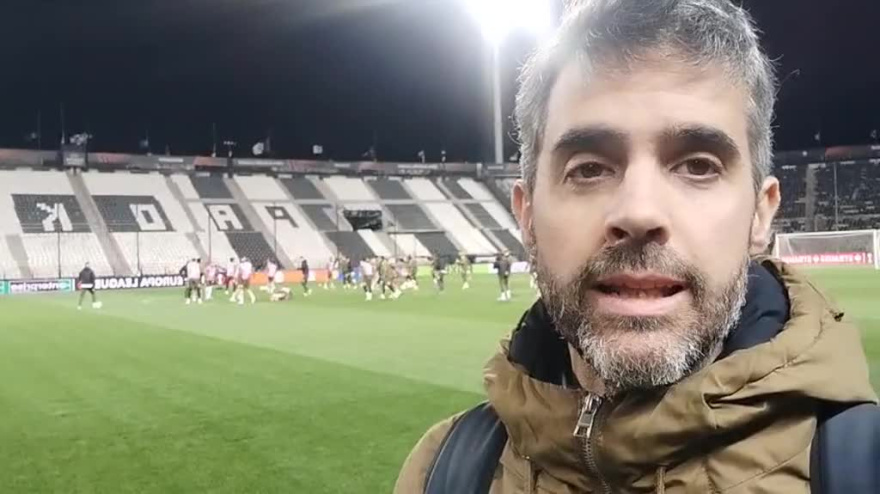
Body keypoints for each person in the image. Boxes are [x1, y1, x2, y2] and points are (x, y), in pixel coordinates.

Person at [395, 1, 877, 493]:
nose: (639, 212)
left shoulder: (861, 468)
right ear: (527, 215)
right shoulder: (443, 472)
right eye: (589, 168)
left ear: (760, 213)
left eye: (698, 165)